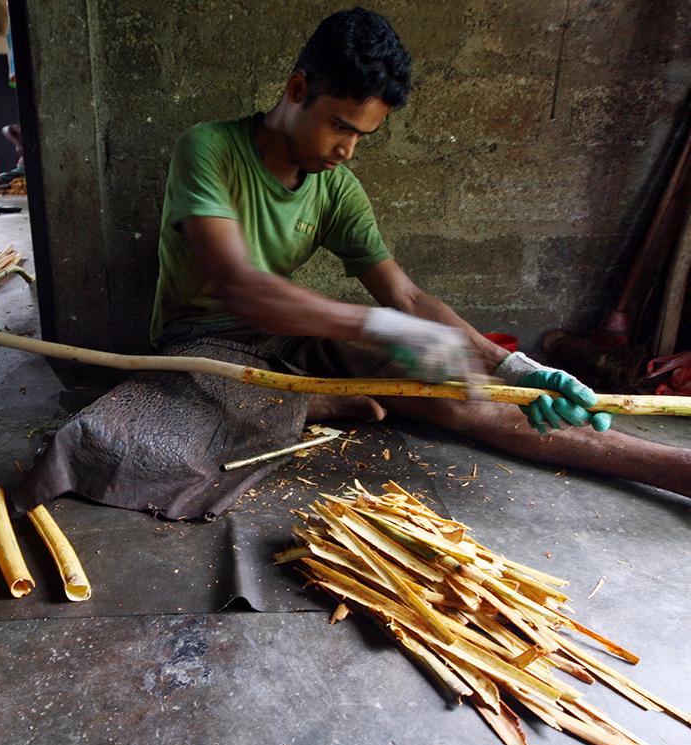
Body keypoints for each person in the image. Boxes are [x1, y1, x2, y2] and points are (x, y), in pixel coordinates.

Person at [153, 8, 691, 497]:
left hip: (292, 338)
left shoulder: (336, 186)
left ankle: (671, 467)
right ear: (297, 90)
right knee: (169, 420)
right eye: (340, 126)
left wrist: (513, 367)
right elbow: (239, 286)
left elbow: (406, 296)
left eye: (362, 137)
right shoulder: (209, 149)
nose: (346, 151)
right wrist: (378, 326)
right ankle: (321, 401)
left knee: (465, 396)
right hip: (202, 344)